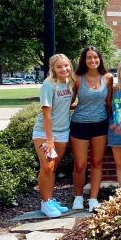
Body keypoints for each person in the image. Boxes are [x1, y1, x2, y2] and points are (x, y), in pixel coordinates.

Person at [31, 54, 76, 218]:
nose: (64, 69)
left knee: (53, 168)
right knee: (47, 166)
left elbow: (67, 104)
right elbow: (47, 115)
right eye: (59, 67)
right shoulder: (48, 85)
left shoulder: (69, 83)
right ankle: (45, 203)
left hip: (63, 132)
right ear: (53, 69)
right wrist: (49, 140)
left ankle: (50, 199)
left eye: (66, 65)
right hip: (45, 132)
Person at [70, 46, 113, 212]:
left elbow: (109, 103)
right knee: (80, 164)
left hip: (100, 124)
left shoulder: (108, 78)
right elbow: (69, 100)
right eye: (89, 58)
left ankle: (93, 199)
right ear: (84, 60)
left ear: (100, 59)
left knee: (97, 162)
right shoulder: (77, 78)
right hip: (79, 124)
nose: (93, 60)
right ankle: (78, 197)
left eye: (95, 57)